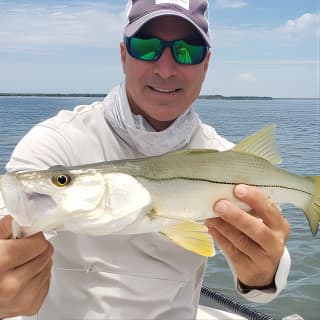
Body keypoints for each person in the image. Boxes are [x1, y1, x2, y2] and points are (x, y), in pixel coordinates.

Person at [0, 0, 291, 319]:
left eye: (186, 51)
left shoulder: (228, 160)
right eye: (147, 46)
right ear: (124, 55)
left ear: (205, 65)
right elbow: (12, 207)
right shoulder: (57, 142)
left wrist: (262, 276)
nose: (165, 69)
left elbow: (267, 283)